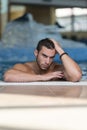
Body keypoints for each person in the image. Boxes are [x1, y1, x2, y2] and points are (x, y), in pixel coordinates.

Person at [3, 38, 82, 82]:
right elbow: (8, 76)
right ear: (36, 53)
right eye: (44, 56)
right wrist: (42, 77)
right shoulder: (25, 68)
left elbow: (76, 76)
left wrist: (60, 50)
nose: (47, 62)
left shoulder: (56, 70)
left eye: (51, 57)